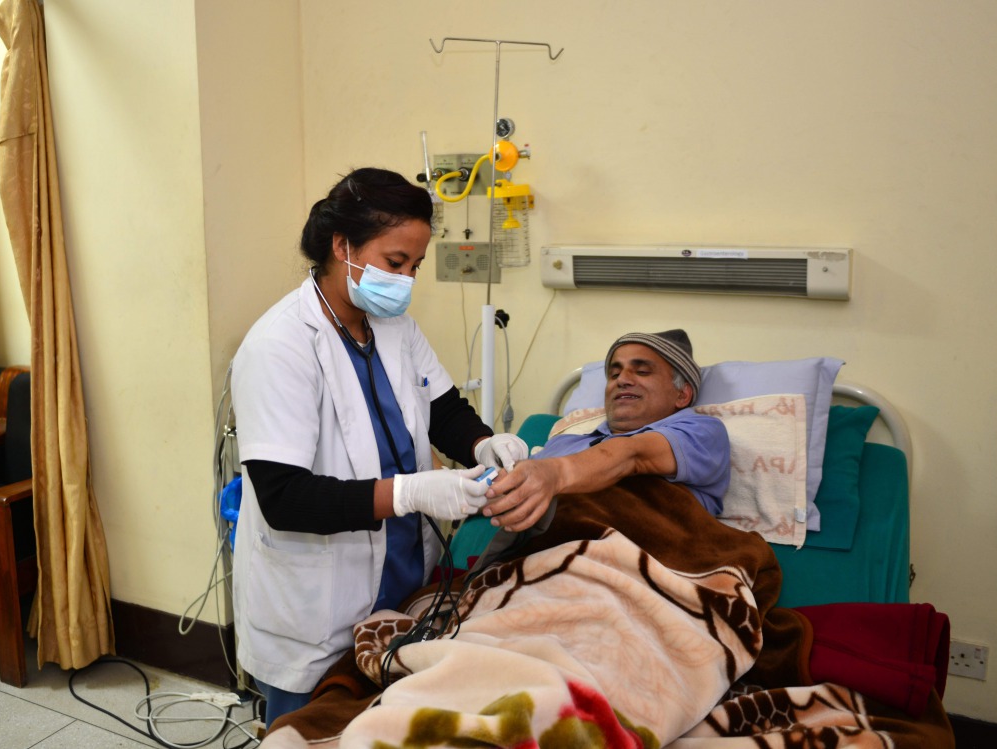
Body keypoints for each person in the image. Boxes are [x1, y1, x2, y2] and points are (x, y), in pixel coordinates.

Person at [230, 167, 529, 727]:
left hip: (403, 575)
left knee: (387, 727)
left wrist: (486, 444)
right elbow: (284, 497)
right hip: (317, 601)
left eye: (414, 266)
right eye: (396, 263)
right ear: (342, 246)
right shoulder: (280, 346)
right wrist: (412, 491)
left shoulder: (393, 327)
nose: (408, 279)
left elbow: (443, 408)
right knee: (312, 731)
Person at [481, 329, 730, 533]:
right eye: (614, 373)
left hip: (643, 569)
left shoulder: (702, 431)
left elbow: (632, 455)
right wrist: (463, 484)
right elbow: (509, 487)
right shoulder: (563, 444)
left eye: (642, 371)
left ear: (683, 394)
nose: (622, 379)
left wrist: (555, 474)